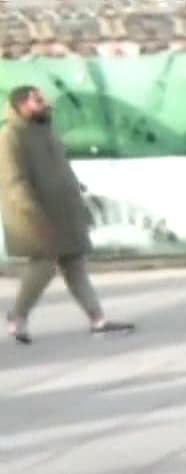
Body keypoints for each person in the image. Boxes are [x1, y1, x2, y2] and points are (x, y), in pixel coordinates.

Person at [0, 86, 132, 343]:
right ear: (20, 105)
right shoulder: (10, 137)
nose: (45, 103)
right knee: (44, 266)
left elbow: (62, 169)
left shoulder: (46, 131)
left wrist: (79, 196)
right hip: (35, 216)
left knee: (75, 265)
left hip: (65, 211)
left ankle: (98, 319)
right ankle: (17, 317)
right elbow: (14, 182)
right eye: (37, 100)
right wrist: (33, 214)